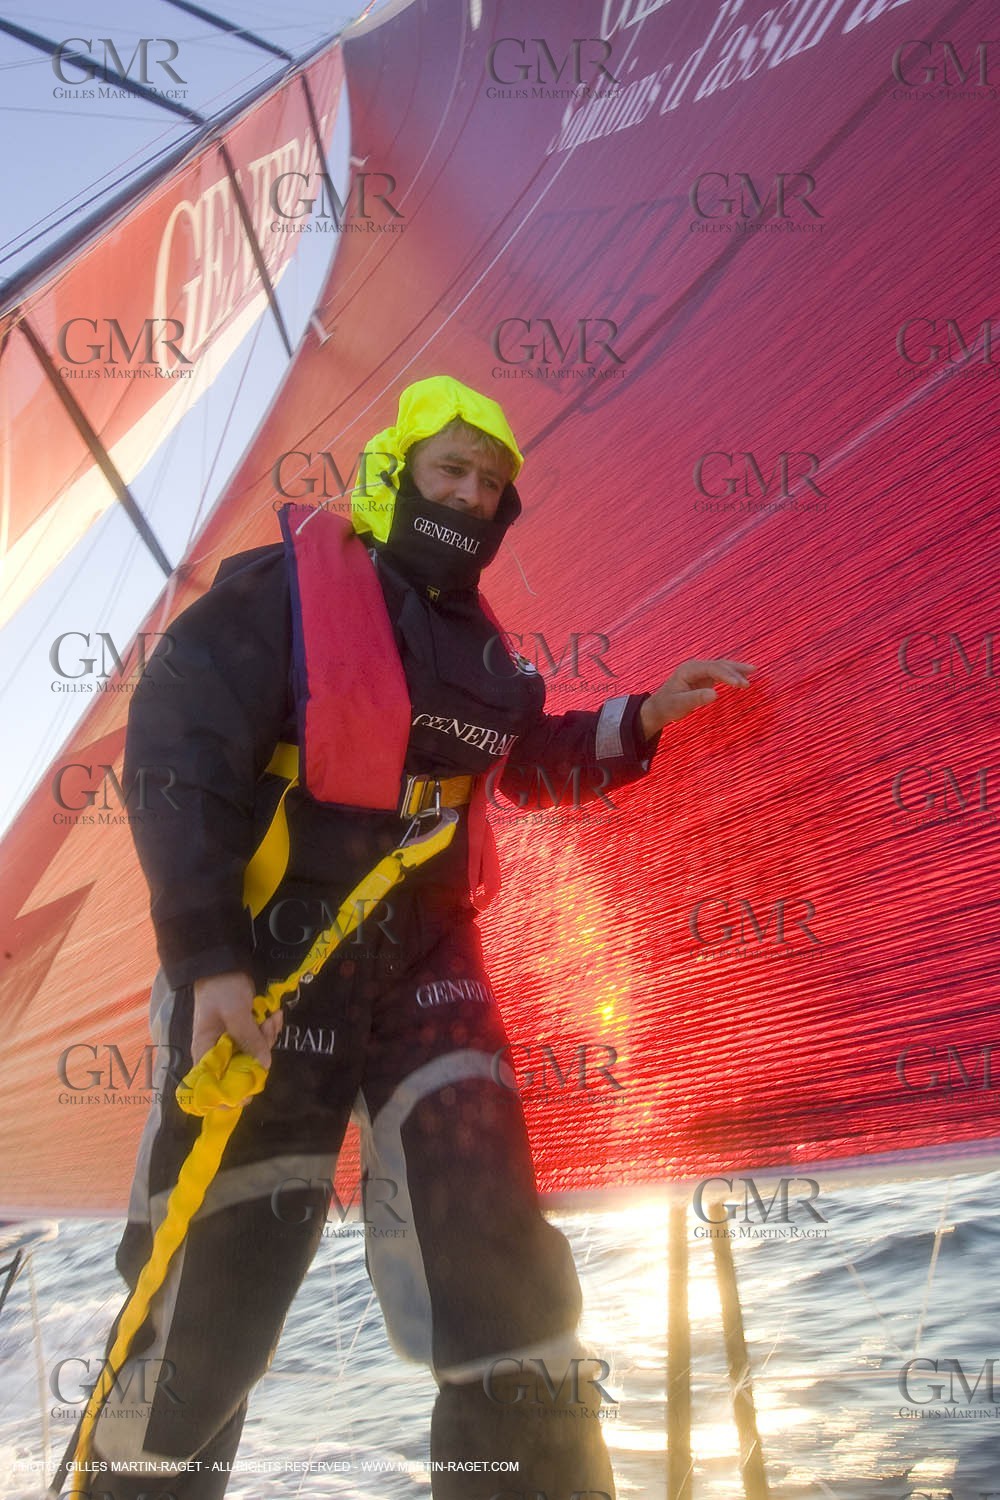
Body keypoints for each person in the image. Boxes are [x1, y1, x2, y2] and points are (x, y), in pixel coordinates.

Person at [74, 375, 754, 1500]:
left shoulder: (482, 658)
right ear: (396, 474)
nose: (472, 495)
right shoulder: (277, 597)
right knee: (213, 1301)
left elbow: (524, 762)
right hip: (268, 974)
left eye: (491, 484)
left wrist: (640, 720)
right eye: (451, 471)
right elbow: (175, 749)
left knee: (501, 1272)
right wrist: (205, 963)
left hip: (429, 971)